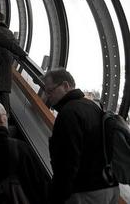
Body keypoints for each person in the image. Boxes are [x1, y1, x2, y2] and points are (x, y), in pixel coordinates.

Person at [43, 68, 120, 204]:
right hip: (110, 187)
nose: (47, 96)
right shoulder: (93, 106)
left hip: (85, 192)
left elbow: (67, 162)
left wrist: (56, 196)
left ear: (65, 86)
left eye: (50, 91)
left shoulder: (68, 113)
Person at [0, 12, 17, 115]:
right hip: (6, 63)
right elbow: (14, 48)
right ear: (3, 21)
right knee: (4, 91)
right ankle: (6, 115)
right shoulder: (10, 33)